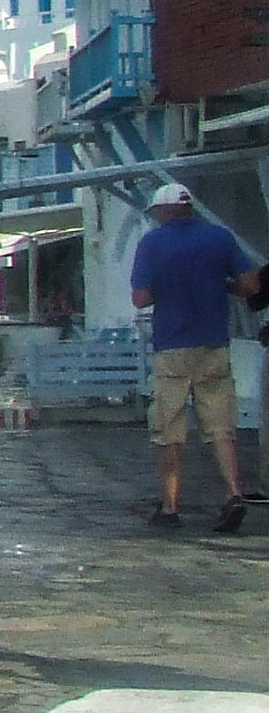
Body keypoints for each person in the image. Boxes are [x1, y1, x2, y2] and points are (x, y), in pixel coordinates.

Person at [131, 184, 258, 531]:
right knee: (221, 426)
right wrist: (220, 284)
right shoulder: (219, 237)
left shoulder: (151, 244)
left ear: (164, 210)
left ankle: (170, 508)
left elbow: (140, 298)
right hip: (214, 344)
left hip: (171, 347)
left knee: (169, 429)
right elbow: (251, 287)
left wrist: (167, 286)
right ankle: (234, 494)